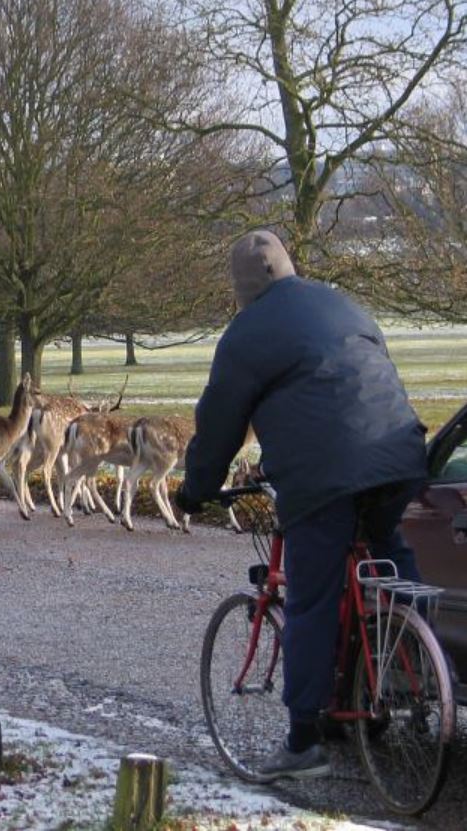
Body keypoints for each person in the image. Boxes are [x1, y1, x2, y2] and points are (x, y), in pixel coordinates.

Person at [174, 230, 428, 780]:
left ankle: (303, 740)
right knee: (388, 551)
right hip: (401, 453)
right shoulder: (340, 301)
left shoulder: (245, 336)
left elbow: (218, 425)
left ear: (239, 288)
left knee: (311, 596)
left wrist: (196, 489)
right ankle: (412, 668)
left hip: (324, 476)